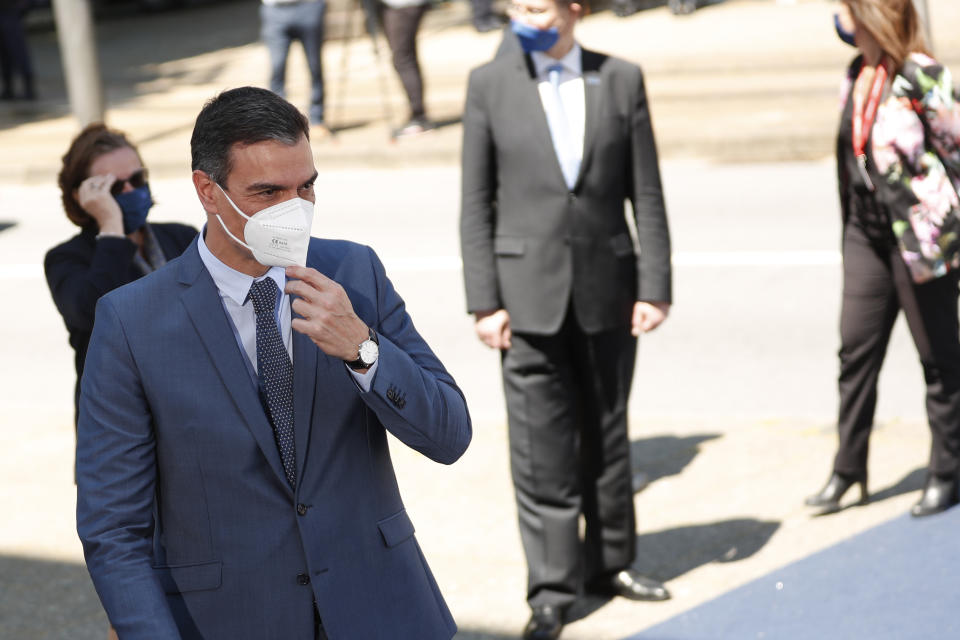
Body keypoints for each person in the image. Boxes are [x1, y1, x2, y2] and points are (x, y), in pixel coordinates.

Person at [76, 86, 472, 639]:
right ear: (207, 192)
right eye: (268, 191)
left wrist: (363, 349)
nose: (295, 207)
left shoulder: (353, 271)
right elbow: (114, 527)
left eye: (306, 185)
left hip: (382, 610)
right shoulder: (131, 320)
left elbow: (450, 434)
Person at [459, 0, 673, 637]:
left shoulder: (622, 77)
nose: (525, 13)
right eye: (517, 4)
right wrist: (484, 301)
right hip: (523, 299)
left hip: (610, 287)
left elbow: (649, 192)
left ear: (573, 8)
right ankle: (553, 587)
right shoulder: (489, 83)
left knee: (608, 434)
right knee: (540, 449)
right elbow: (475, 203)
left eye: (538, 4)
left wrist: (655, 286)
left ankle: (612, 563)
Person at [805, 0, 960, 518]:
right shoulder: (858, 72)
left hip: (918, 239)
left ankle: (946, 470)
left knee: (938, 359)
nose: (834, 14)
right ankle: (849, 469)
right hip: (866, 235)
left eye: (843, 5)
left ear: (870, 14)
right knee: (855, 352)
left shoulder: (921, 75)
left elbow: (956, 153)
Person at [45, 124, 197, 426]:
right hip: (117, 420)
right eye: (114, 187)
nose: (130, 191)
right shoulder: (66, 259)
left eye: (137, 179)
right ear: (82, 196)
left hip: (189, 412)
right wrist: (111, 228)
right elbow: (93, 314)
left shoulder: (183, 238)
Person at [260, 0, 330, 135]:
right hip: (274, 10)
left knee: (315, 67)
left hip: (309, 7)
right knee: (277, 68)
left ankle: (317, 118)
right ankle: (278, 122)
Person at [379, 0, 434, 137]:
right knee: (404, 57)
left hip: (403, 5)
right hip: (399, 6)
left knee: (403, 58)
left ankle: (418, 117)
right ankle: (417, 115)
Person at [0, 0, 36, 100]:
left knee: (18, 52)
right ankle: (8, 89)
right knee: (4, 55)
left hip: (11, 12)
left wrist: (22, 8)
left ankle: (29, 89)